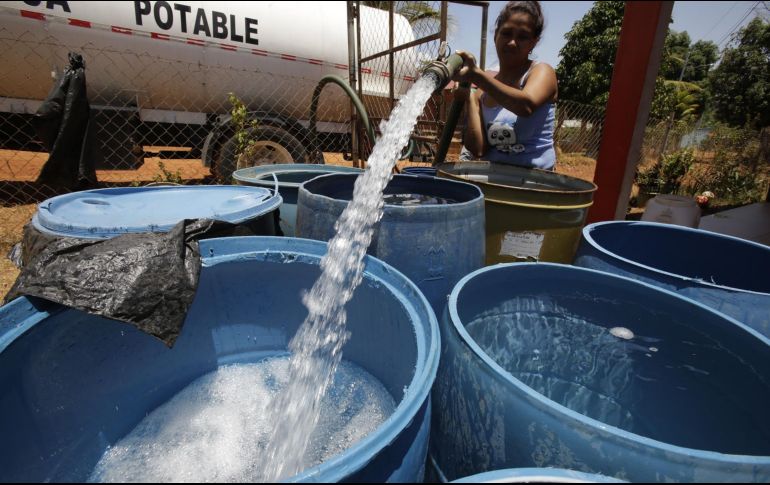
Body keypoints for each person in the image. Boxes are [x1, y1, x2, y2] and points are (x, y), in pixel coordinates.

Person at [452, 1, 558, 170]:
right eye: (506, 33)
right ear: (496, 36)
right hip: (496, 181)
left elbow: (526, 105)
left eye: (522, 37)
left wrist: (477, 76)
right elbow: (478, 149)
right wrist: (471, 99)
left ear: (533, 43)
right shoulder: (482, 93)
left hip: (536, 185)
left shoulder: (541, 72)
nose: (512, 43)